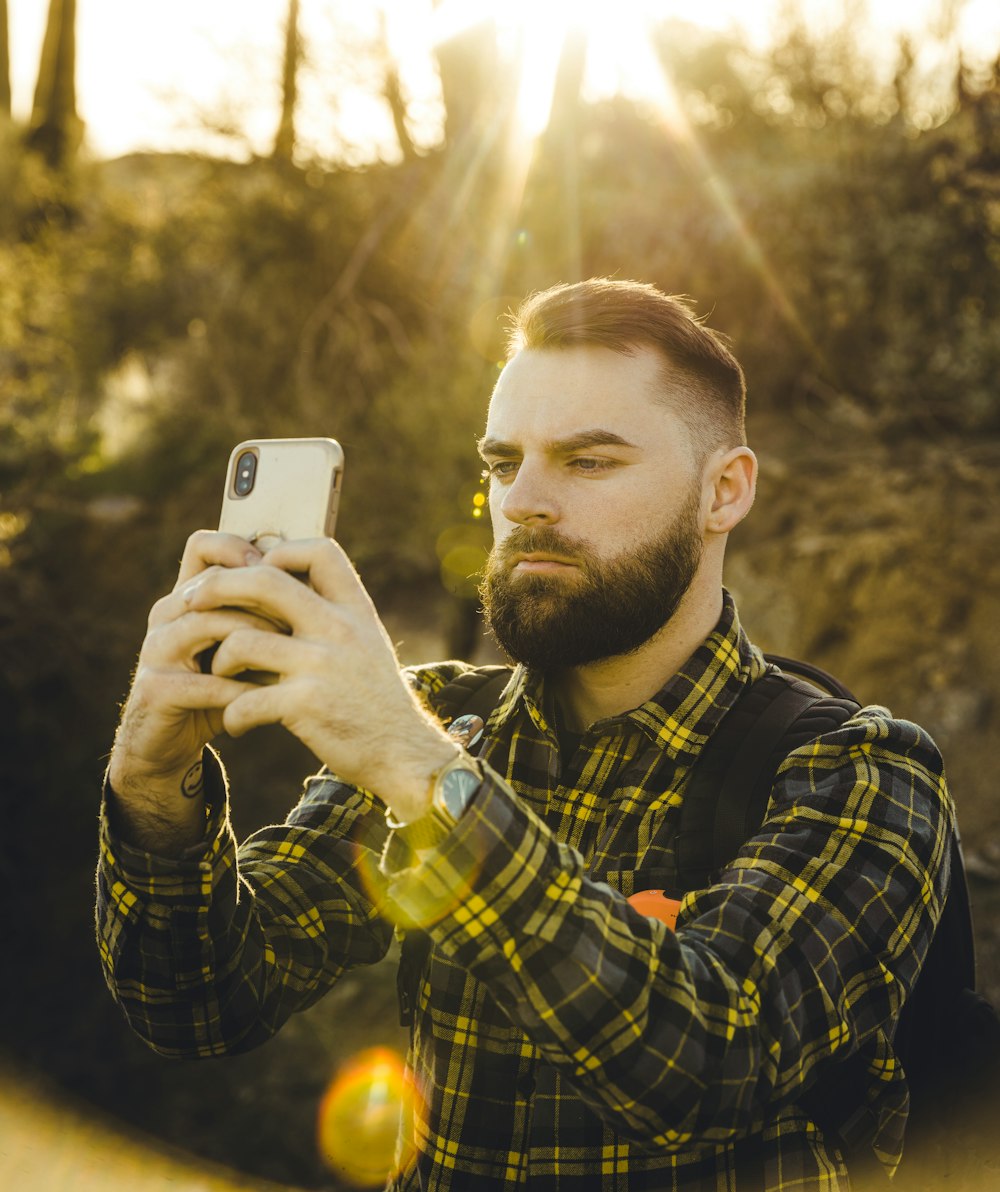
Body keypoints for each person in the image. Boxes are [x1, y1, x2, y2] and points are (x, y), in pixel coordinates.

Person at [96, 278, 953, 1191]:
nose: (523, 503)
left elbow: (710, 1059)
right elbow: (203, 1004)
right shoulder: (444, 718)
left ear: (724, 493)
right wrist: (154, 788)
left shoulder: (859, 770)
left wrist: (419, 771)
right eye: (504, 464)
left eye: (588, 463)